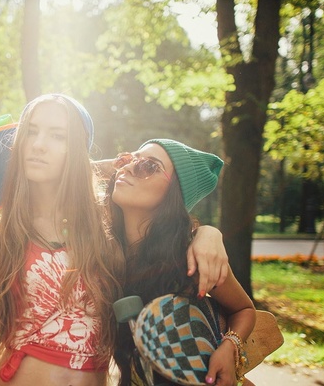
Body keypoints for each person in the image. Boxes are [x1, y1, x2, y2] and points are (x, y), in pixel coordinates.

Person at [0, 94, 229, 385]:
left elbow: (161, 221)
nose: (39, 145)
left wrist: (205, 233)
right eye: (30, 132)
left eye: (58, 136)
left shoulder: (107, 232)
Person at [107, 139, 256, 386]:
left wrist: (230, 347)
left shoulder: (191, 259)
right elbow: (72, 169)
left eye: (147, 166)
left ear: (174, 192)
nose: (128, 168)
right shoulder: (99, 252)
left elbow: (244, 310)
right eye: (126, 159)